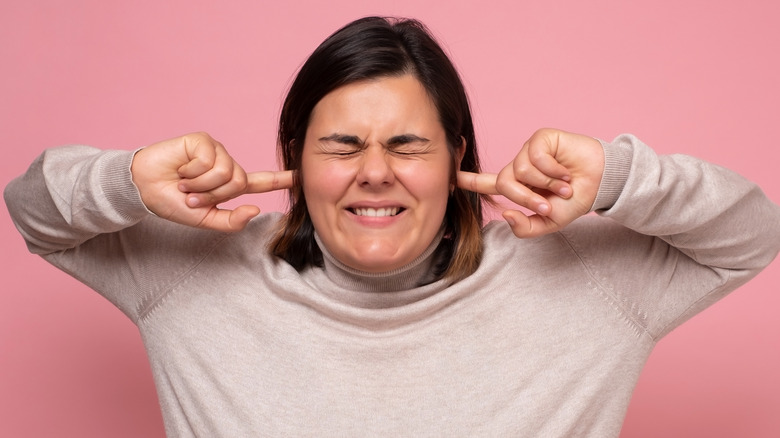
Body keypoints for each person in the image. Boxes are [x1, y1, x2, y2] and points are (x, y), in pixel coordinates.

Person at [4, 15, 780, 438]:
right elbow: (34, 211)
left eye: (408, 145)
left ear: (457, 160)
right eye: (341, 146)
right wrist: (131, 178)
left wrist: (615, 177)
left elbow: (752, 234)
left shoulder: (595, 284)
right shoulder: (187, 273)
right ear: (294, 163)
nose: (375, 172)